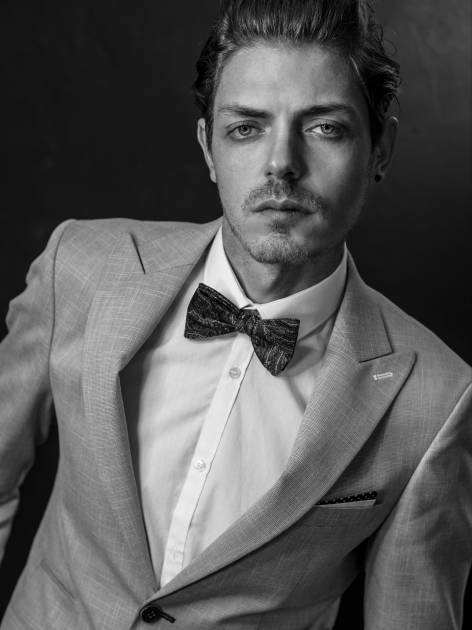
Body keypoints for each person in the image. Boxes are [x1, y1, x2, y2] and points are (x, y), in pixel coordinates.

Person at [1, 0, 471, 628]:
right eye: (247, 128)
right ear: (208, 147)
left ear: (380, 147)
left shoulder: (437, 398)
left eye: (325, 127)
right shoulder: (79, 267)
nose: (281, 164)